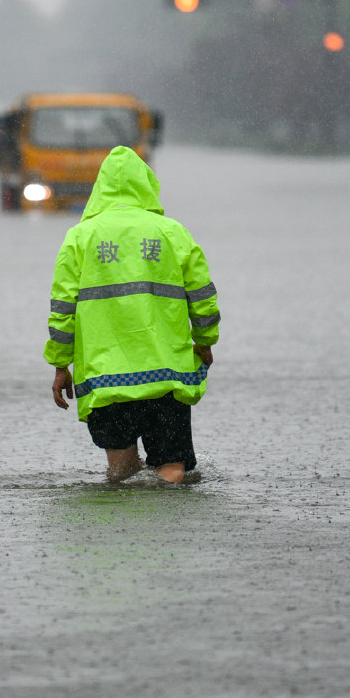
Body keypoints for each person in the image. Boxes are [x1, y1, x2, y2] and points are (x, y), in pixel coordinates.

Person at [45, 145, 219, 483]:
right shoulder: (172, 233)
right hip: (166, 376)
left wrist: (60, 364)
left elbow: (62, 310)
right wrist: (205, 341)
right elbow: (203, 298)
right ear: (147, 185)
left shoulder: (80, 238)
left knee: (121, 474)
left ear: (100, 188)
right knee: (172, 469)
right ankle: (171, 511)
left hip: (106, 379)